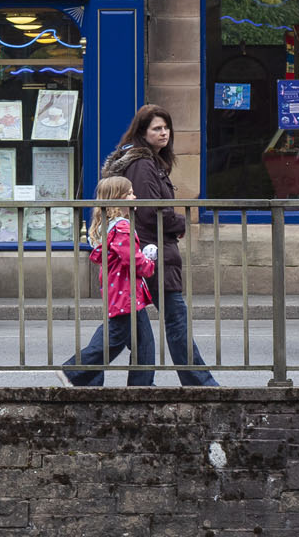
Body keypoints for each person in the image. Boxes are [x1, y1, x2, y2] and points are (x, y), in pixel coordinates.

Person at [103, 103, 217, 386]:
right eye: (157, 128)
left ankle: (139, 384)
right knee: (175, 320)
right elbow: (151, 210)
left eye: (166, 128)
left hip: (147, 253)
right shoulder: (143, 164)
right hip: (153, 254)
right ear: (143, 132)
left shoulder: (148, 161)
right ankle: (200, 384)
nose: (164, 133)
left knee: (133, 329)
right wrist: (180, 224)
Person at [58, 177, 157, 386]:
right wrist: (148, 264)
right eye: (130, 193)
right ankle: (73, 372)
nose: (134, 197)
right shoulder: (122, 227)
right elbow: (131, 258)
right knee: (113, 339)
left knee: (143, 342)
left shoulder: (111, 225)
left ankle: (142, 386)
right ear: (117, 199)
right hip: (125, 292)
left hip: (124, 290)